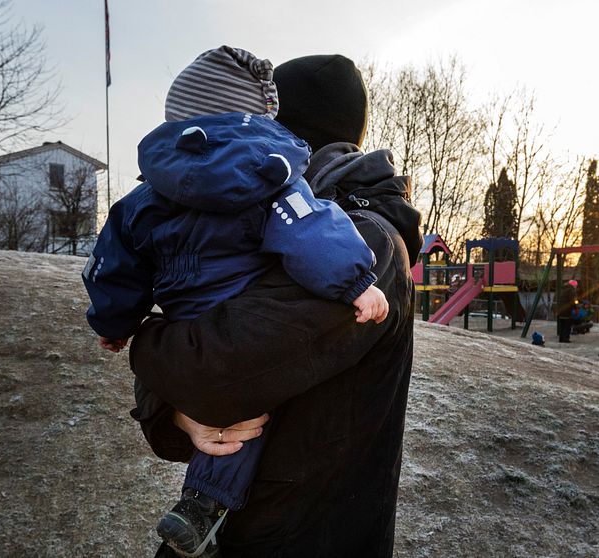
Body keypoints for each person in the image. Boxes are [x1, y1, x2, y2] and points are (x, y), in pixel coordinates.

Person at [81, 47, 390, 556]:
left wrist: (131, 332)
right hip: (257, 527)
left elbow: (218, 375)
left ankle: (203, 502)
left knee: (248, 414)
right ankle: (202, 504)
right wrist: (177, 414)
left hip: (295, 533)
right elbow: (214, 376)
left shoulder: (369, 236)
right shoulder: (288, 203)